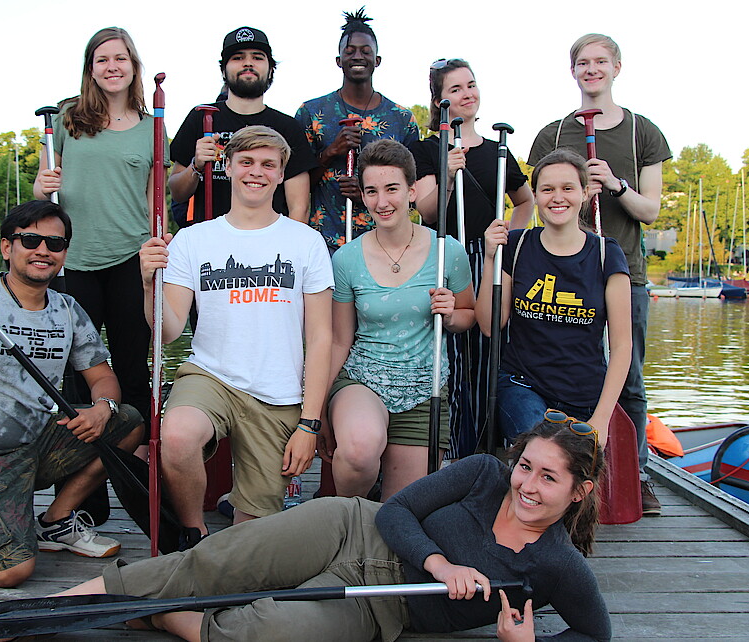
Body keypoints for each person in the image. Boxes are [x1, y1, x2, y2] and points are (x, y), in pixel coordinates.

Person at [43, 416, 611, 642]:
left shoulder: (559, 564)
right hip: (351, 530)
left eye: (549, 478)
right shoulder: (485, 473)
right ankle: (53, 610)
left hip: (379, 606)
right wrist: (442, 565)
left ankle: (160, 612)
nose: (527, 485)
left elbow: (596, 635)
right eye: (526, 466)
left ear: (579, 492)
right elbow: (394, 511)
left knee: (257, 632)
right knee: (211, 564)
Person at [0, 201, 145, 588]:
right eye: (31, 239)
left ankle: (56, 522)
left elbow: (103, 377)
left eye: (54, 243)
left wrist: (102, 409)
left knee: (128, 422)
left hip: (33, 444)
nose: (43, 249)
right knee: (12, 573)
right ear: (8, 248)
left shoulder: (68, 309)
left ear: (64, 254)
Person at [141, 126, 333, 548]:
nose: (256, 172)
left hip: (278, 394)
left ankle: (229, 557)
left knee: (250, 542)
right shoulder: (194, 239)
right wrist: (148, 284)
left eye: (268, 164)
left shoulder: (307, 242)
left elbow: (321, 339)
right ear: (227, 167)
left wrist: (310, 424)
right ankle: (194, 534)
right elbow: (169, 331)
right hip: (211, 376)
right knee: (176, 434)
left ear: (282, 174)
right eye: (246, 162)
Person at [528, 33, 670, 515]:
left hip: (623, 267)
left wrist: (614, 184)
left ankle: (638, 474)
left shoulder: (641, 132)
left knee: (628, 376)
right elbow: (542, 202)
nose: (592, 70)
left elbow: (650, 210)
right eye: (583, 63)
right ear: (573, 71)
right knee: (563, 369)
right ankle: (560, 470)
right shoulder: (553, 133)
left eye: (600, 62)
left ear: (617, 67)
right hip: (566, 272)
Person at [324, 139, 478, 501]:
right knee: (360, 451)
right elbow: (338, 340)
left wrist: (450, 312)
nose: (382, 202)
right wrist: (314, 414)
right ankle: (347, 518)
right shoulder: (346, 259)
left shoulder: (448, 252)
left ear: (411, 191)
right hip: (363, 381)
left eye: (392, 189)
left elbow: (468, 316)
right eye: (372, 191)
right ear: (362, 196)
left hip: (424, 390)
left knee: (402, 509)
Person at [32, 27, 164, 423]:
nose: (112, 67)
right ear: (90, 69)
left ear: (133, 65)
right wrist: (40, 186)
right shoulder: (66, 118)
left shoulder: (152, 127)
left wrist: (158, 247)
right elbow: (43, 190)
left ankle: (135, 470)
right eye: (102, 59)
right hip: (74, 260)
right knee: (73, 369)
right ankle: (81, 474)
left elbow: (152, 201)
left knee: (131, 367)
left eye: (120, 58)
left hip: (130, 259)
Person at [411, 58, 535, 459]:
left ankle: (481, 450)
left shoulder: (498, 150)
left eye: (471, 85)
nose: (467, 94)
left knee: (484, 352)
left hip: (487, 257)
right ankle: (439, 449)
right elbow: (428, 212)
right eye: (455, 89)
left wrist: (508, 243)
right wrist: (448, 174)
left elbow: (525, 201)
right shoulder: (428, 149)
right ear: (439, 101)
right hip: (446, 254)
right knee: (447, 351)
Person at [477, 149, 631, 446]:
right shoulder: (518, 246)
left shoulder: (606, 254)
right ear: (535, 195)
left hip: (584, 394)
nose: (557, 197)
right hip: (522, 385)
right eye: (547, 189)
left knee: (570, 471)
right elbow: (488, 325)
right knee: (546, 448)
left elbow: (623, 346)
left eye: (568, 188)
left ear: (585, 193)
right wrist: (490, 259)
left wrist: (601, 418)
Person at [294, 8, 420, 252]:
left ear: (378, 60)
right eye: (349, 51)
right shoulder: (311, 112)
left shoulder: (402, 119)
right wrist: (331, 152)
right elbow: (295, 186)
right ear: (338, 61)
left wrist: (366, 191)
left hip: (385, 245)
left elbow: (411, 189)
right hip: (324, 243)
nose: (357, 56)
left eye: (366, 51)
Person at [168, 26, 318, 227]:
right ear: (223, 69)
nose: (248, 63)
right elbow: (177, 192)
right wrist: (196, 165)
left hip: (268, 249)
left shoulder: (287, 127)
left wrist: (287, 249)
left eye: (257, 57)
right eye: (238, 58)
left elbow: (299, 207)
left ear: (270, 69)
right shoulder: (201, 118)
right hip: (209, 245)